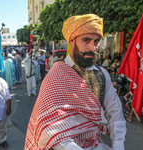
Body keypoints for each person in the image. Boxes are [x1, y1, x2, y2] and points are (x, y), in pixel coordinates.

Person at [25, 14, 126, 150]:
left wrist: (118, 145)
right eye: (86, 40)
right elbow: (47, 127)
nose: (92, 47)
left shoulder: (102, 74)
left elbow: (115, 111)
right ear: (72, 41)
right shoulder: (55, 75)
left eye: (96, 41)